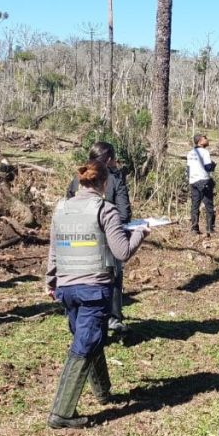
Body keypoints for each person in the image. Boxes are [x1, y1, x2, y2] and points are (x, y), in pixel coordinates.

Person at [45, 161, 150, 429]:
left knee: (90, 336)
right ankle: (62, 412)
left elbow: (55, 250)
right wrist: (140, 233)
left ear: (80, 182)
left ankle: (103, 392)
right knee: (85, 343)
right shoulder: (106, 210)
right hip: (94, 287)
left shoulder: (62, 209)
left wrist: (50, 281)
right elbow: (122, 252)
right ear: (105, 183)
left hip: (67, 288)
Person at [67, 142, 132, 333]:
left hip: (78, 237)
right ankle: (113, 317)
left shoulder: (77, 178)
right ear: (110, 160)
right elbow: (124, 213)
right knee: (114, 277)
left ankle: (79, 317)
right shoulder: (114, 180)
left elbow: (69, 206)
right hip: (107, 240)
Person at [187, 135, 216, 235]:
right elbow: (208, 167)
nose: (207, 140)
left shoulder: (190, 153)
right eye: (205, 138)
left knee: (195, 205)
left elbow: (188, 169)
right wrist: (213, 165)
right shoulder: (205, 152)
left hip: (193, 181)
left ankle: (194, 229)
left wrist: (190, 180)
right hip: (203, 181)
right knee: (209, 205)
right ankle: (210, 229)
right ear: (200, 142)